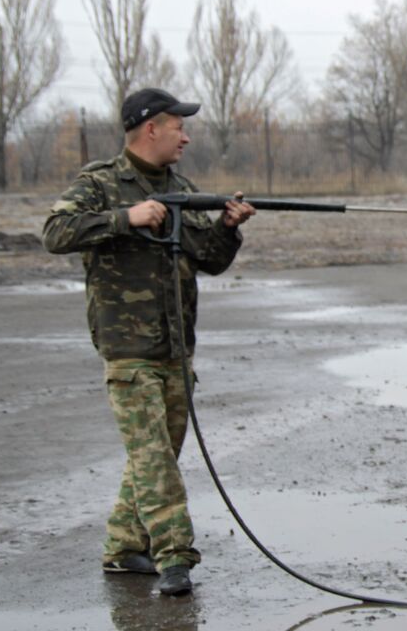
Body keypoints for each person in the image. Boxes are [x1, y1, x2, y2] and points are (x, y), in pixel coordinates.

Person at [43, 88, 256, 596]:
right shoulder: (100, 182)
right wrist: (127, 217)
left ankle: (121, 548)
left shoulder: (182, 186)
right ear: (149, 129)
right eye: (177, 125)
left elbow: (209, 257)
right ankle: (175, 556)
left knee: (155, 454)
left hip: (176, 351)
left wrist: (228, 229)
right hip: (128, 352)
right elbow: (55, 231)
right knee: (155, 459)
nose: (186, 135)